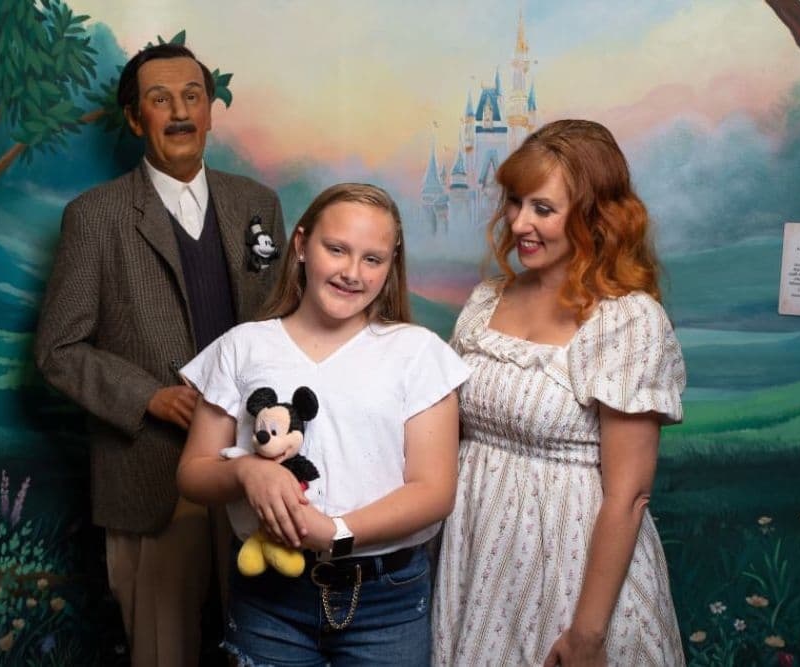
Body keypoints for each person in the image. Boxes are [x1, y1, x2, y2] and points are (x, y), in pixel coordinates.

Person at [34, 43, 285, 667]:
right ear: (133, 119)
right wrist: (149, 396)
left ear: (209, 112)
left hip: (259, 465)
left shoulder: (257, 204)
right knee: (162, 650)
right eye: (159, 99)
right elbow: (59, 349)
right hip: (152, 474)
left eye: (192, 97)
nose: (179, 112)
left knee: (263, 643)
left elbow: (283, 321)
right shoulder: (94, 217)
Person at [176, 183, 469, 666]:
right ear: (301, 245)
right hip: (269, 597)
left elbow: (434, 491)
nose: (352, 273)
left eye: (373, 259)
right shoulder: (244, 346)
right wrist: (247, 471)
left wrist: (335, 533)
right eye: (337, 249)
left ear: (391, 265)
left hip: (386, 599)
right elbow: (192, 474)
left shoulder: (418, 353)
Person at [432, 119, 687, 666]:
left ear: (595, 216)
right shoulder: (484, 300)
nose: (519, 222)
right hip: (478, 561)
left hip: (574, 575)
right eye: (514, 202)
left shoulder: (627, 321)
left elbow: (629, 496)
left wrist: (587, 636)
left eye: (542, 209)